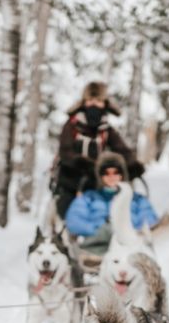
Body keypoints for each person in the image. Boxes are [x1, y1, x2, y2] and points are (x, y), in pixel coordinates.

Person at [51, 81, 145, 219]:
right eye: (90, 100)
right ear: (84, 103)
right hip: (70, 180)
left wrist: (132, 164)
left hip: (96, 180)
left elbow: (122, 149)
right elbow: (65, 152)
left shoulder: (106, 129)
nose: (94, 104)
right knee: (68, 213)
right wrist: (82, 164)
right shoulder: (71, 125)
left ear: (104, 104)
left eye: (98, 100)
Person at [65, 151, 159, 256]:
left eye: (116, 172)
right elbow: (74, 221)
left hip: (129, 246)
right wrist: (97, 229)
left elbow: (148, 220)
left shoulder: (136, 199)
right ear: (100, 176)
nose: (111, 177)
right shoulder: (89, 198)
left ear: (122, 175)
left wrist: (129, 229)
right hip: (96, 247)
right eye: (106, 173)